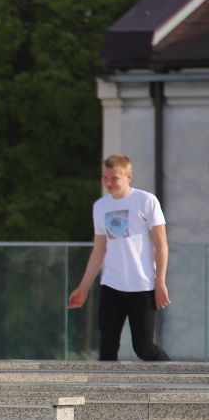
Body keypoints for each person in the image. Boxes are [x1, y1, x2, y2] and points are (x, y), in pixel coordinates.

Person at [67, 154, 171, 361]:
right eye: (105, 178)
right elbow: (99, 251)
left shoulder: (146, 201)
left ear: (128, 177)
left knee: (144, 348)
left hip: (142, 287)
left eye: (114, 178)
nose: (108, 183)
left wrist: (160, 282)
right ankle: (108, 393)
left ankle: (178, 381)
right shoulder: (101, 206)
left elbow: (161, 245)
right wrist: (83, 287)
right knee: (107, 348)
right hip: (112, 286)